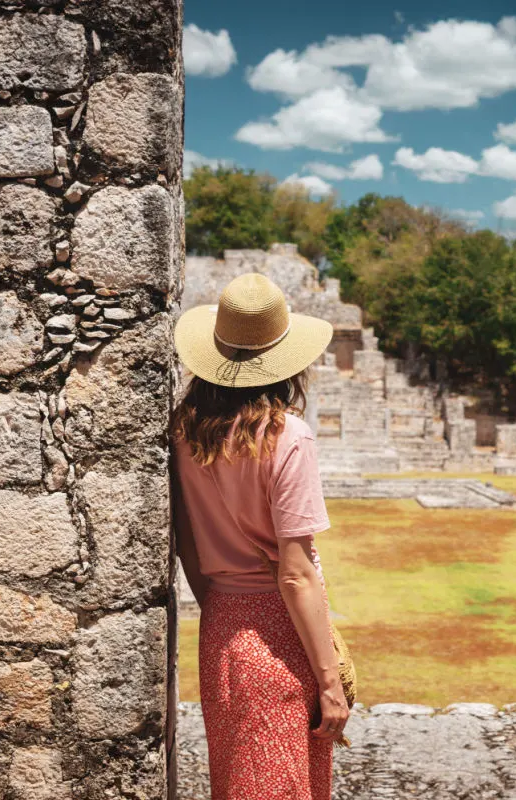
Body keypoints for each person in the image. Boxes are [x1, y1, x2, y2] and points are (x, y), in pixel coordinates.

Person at [169, 272, 348, 799]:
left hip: (222, 628)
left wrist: (225, 607)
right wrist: (331, 680)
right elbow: (296, 574)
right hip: (279, 637)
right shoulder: (287, 437)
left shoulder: (185, 433)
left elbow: (190, 549)